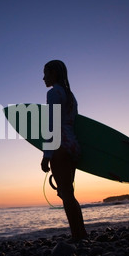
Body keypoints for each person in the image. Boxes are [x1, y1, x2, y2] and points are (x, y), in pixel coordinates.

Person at [40, 60, 88, 242]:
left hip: (59, 146)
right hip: (73, 145)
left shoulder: (53, 93)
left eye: (46, 73)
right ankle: (80, 232)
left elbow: (51, 126)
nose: (43, 77)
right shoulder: (71, 95)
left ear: (54, 74)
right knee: (68, 193)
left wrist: (46, 156)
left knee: (66, 194)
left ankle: (77, 235)